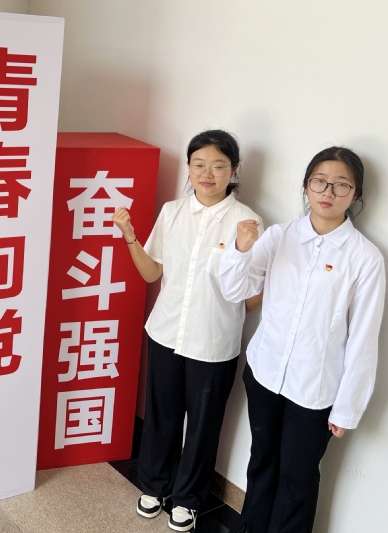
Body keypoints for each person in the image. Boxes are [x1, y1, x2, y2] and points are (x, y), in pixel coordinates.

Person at [219, 146, 384, 533]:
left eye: (341, 185)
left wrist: (347, 408)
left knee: (298, 477)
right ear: (307, 185)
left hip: (314, 390)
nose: (328, 192)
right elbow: (234, 290)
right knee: (261, 461)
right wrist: (240, 250)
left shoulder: (365, 258)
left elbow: (364, 338)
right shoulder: (279, 236)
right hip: (265, 373)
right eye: (319, 181)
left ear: (356, 194)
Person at [113, 130, 262, 532]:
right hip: (165, 332)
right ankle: (154, 485)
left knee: (202, 426)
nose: (207, 174)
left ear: (234, 170)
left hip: (212, 342)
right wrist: (129, 236)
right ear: (189, 168)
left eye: (218, 166)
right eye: (199, 165)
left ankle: (188, 499)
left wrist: (242, 252)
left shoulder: (246, 222)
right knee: (161, 416)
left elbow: (250, 300)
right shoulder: (172, 212)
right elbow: (152, 273)